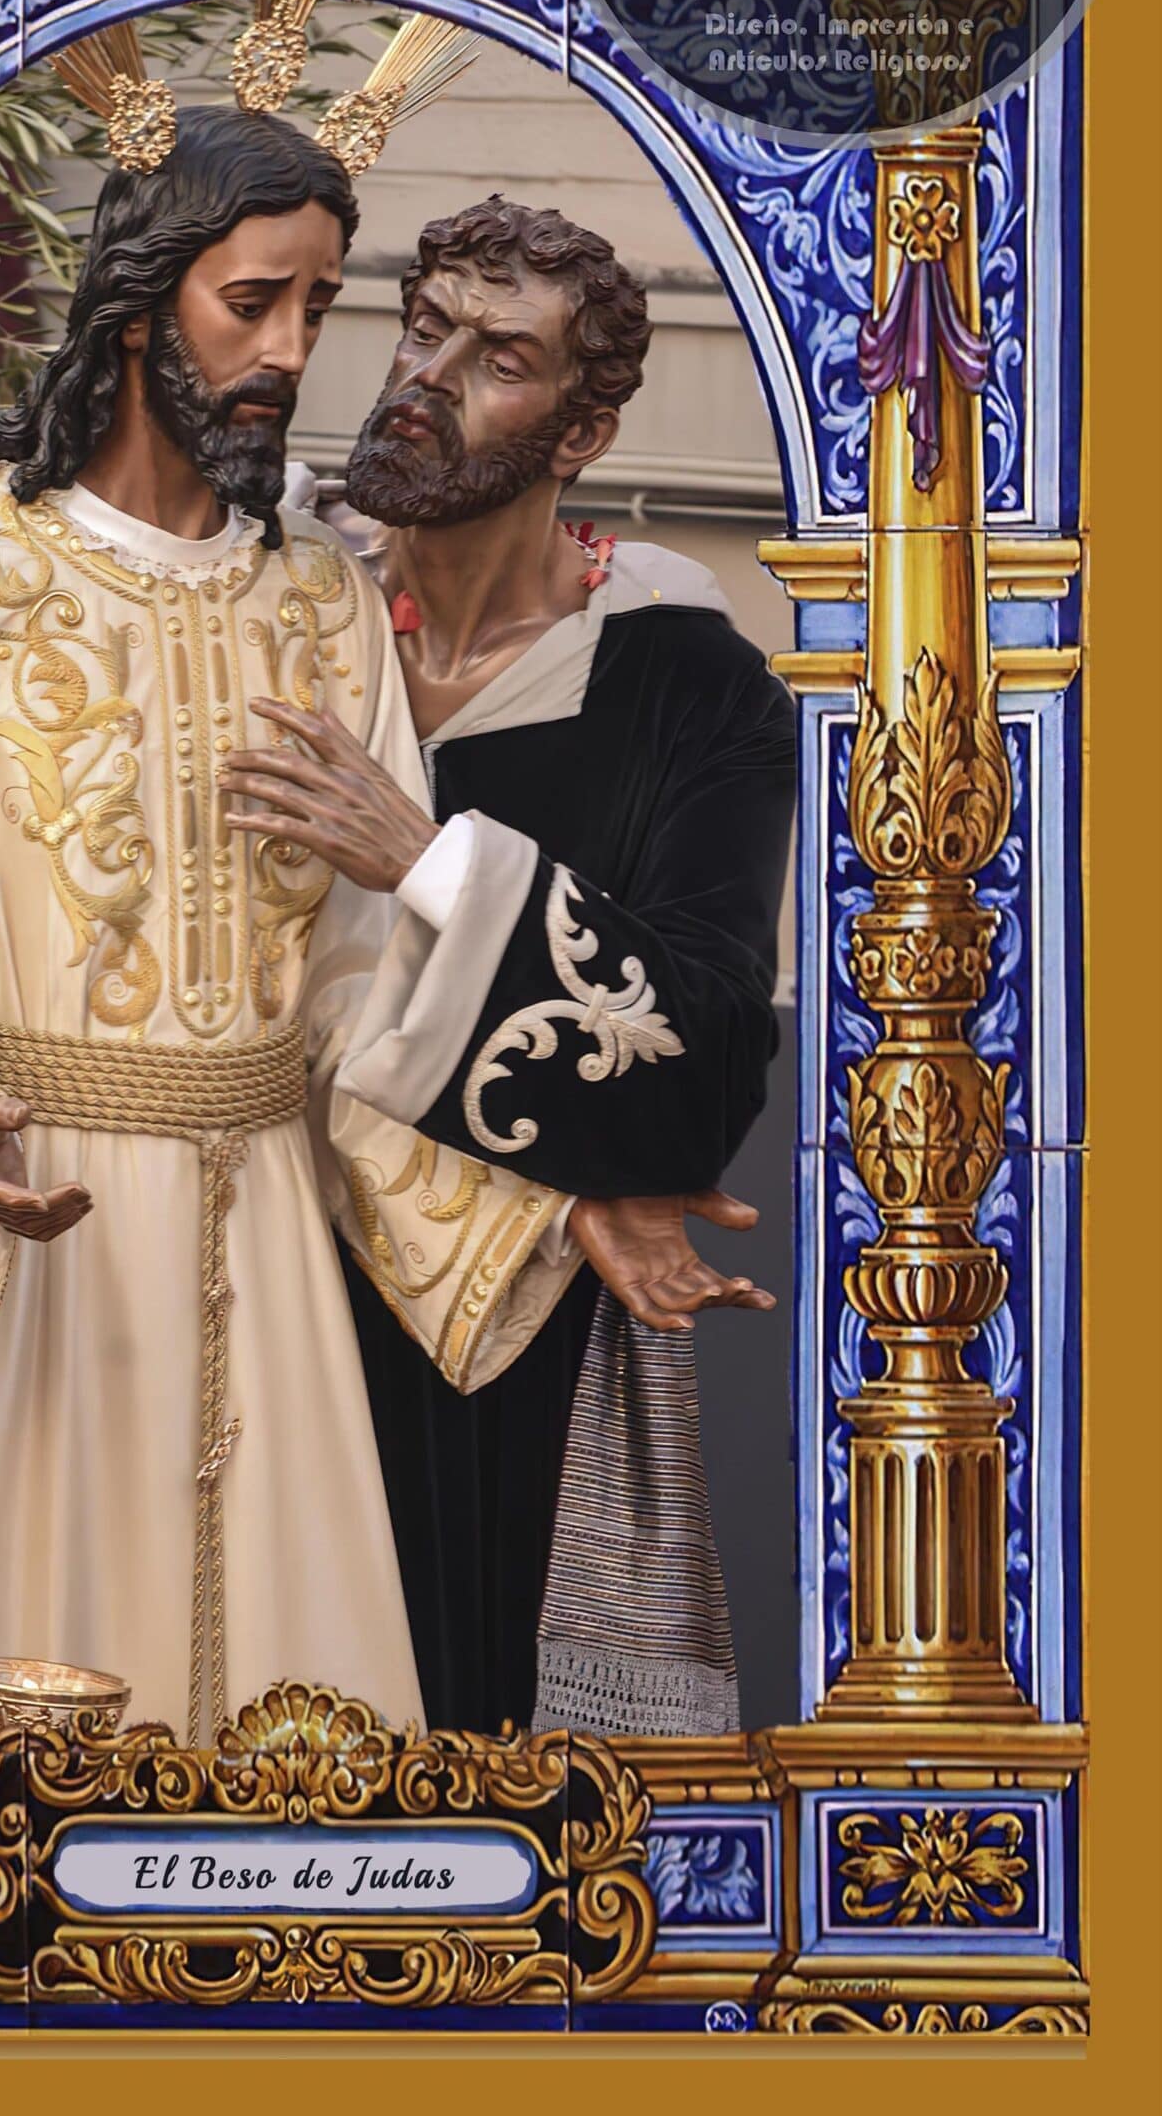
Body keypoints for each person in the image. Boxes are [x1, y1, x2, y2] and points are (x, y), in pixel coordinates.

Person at [0, 93, 592, 1741]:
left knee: (299, 1760)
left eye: (320, 305)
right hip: (29, 1255)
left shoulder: (324, 601)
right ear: (142, 301)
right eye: (253, 302)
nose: (291, 350)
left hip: (272, 1274)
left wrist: (570, 1200)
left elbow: (366, 998)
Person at [222, 195, 797, 1737]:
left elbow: (707, 1050)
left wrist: (426, 864)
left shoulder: (683, 682)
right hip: (236, 1269)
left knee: (464, 1762)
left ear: (583, 432)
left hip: (493, 1349)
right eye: (427, 330)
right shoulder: (270, 619)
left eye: (501, 358)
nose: (431, 373)